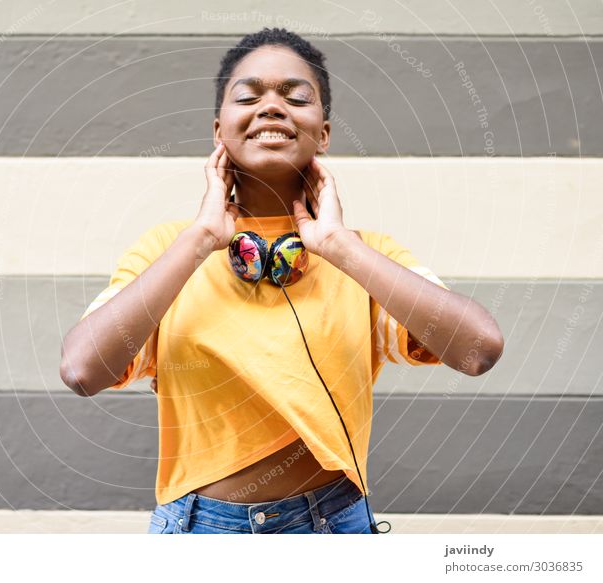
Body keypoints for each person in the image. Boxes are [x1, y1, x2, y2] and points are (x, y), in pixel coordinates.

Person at [60, 28, 504, 534]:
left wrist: (339, 246)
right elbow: (81, 370)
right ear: (218, 131)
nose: (271, 107)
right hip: (200, 533)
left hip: (333, 526)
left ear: (325, 132)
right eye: (248, 97)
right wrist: (201, 236)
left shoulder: (365, 257)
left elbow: (478, 349)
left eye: (295, 97)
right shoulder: (170, 251)